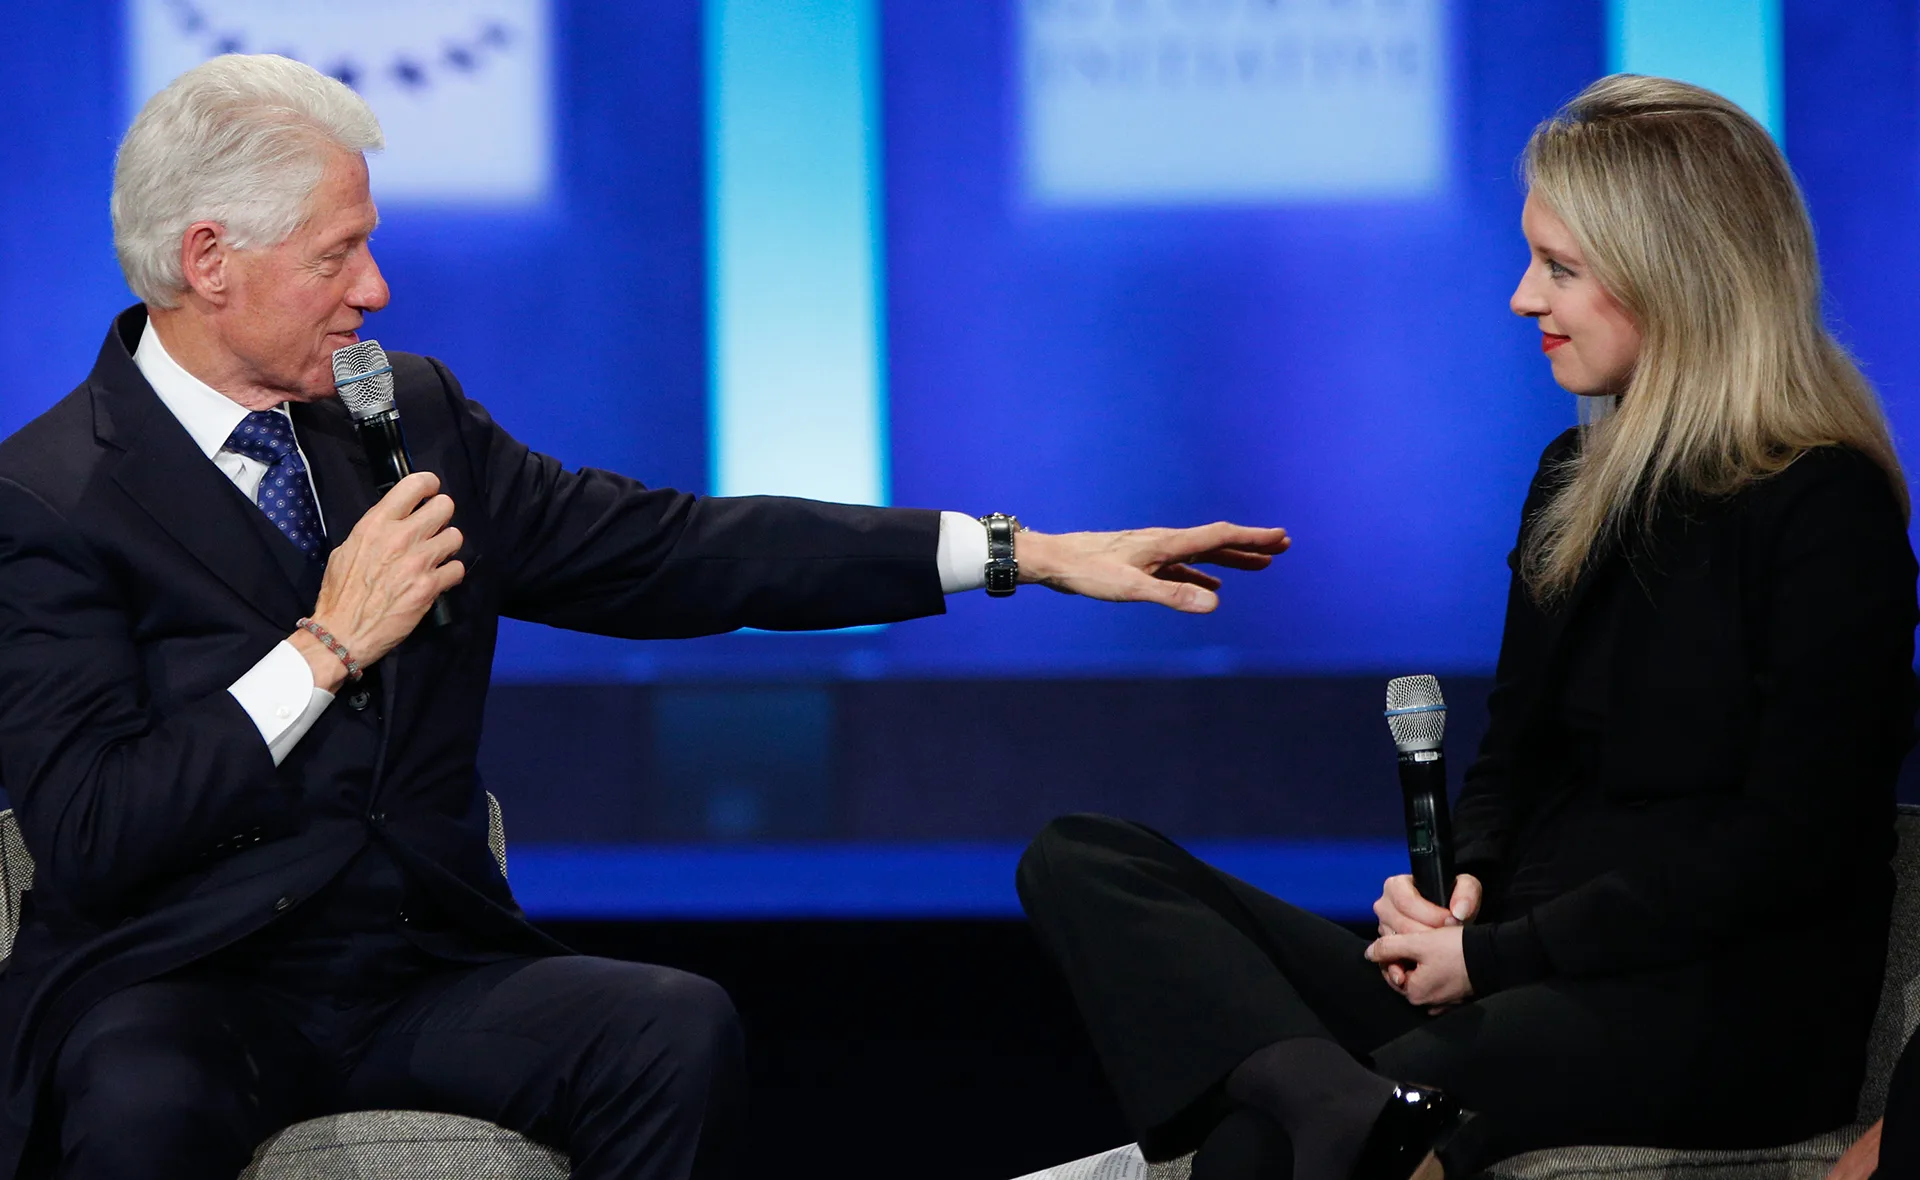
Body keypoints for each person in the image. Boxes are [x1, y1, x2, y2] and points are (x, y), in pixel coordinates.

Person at [0, 55, 1291, 1180]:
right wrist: (325, 650)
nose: (378, 290)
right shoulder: (51, 495)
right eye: (339, 253)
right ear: (210, 259)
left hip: (412, 969)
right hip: (181, 985)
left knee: (669, 1029)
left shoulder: (408, 416)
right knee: (135, 1102)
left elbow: (673, 552)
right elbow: (98, 829)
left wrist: (1020, 553)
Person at [1017, 74, 1919, 1180]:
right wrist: (1468, 884)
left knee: (1258, 1140)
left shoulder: (1826, 507)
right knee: (1081, 859)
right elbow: (1512, 753)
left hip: (1720, 1010)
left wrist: (1493, 954)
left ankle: (1345, 1108)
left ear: (1679, 278)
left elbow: (1784, 847)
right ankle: (1344, 1101)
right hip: (1522, 967)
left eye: (1561, 269)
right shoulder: (1571, 479)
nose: (1521, 298)